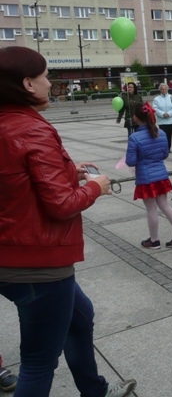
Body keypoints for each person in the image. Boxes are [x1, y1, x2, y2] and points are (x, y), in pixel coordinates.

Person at [0, 46, 137, 397]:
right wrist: (95, 187)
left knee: (80, 316)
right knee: (38, 363)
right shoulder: (32, 128)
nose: (50, 83)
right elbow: (61, 206)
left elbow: (15, 182)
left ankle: (94, 390)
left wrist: (65, 172)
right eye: (45, 76)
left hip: (12, 254)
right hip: (37, 264)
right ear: (27, 83)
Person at [126, 103, 172, 249]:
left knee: (151, 209)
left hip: (146, 178)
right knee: (165, 205)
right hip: (161, 175)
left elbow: (131, 161)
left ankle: (154, 240)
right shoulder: (161, 133)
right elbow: (165, 154)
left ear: (136, 118)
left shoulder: (134, 137)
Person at [152, 83, 172, 152]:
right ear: (160, 90)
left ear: (167, 89)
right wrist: (163, 114)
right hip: (162, 121)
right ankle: (164, 148)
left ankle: (168, 148)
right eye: (162, 89)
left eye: (165, 89)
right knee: (163, 135)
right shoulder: (156, 99)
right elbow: (155, 109)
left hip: (170, 120)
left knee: (169, 135)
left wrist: (169, 114)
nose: (164, 90)